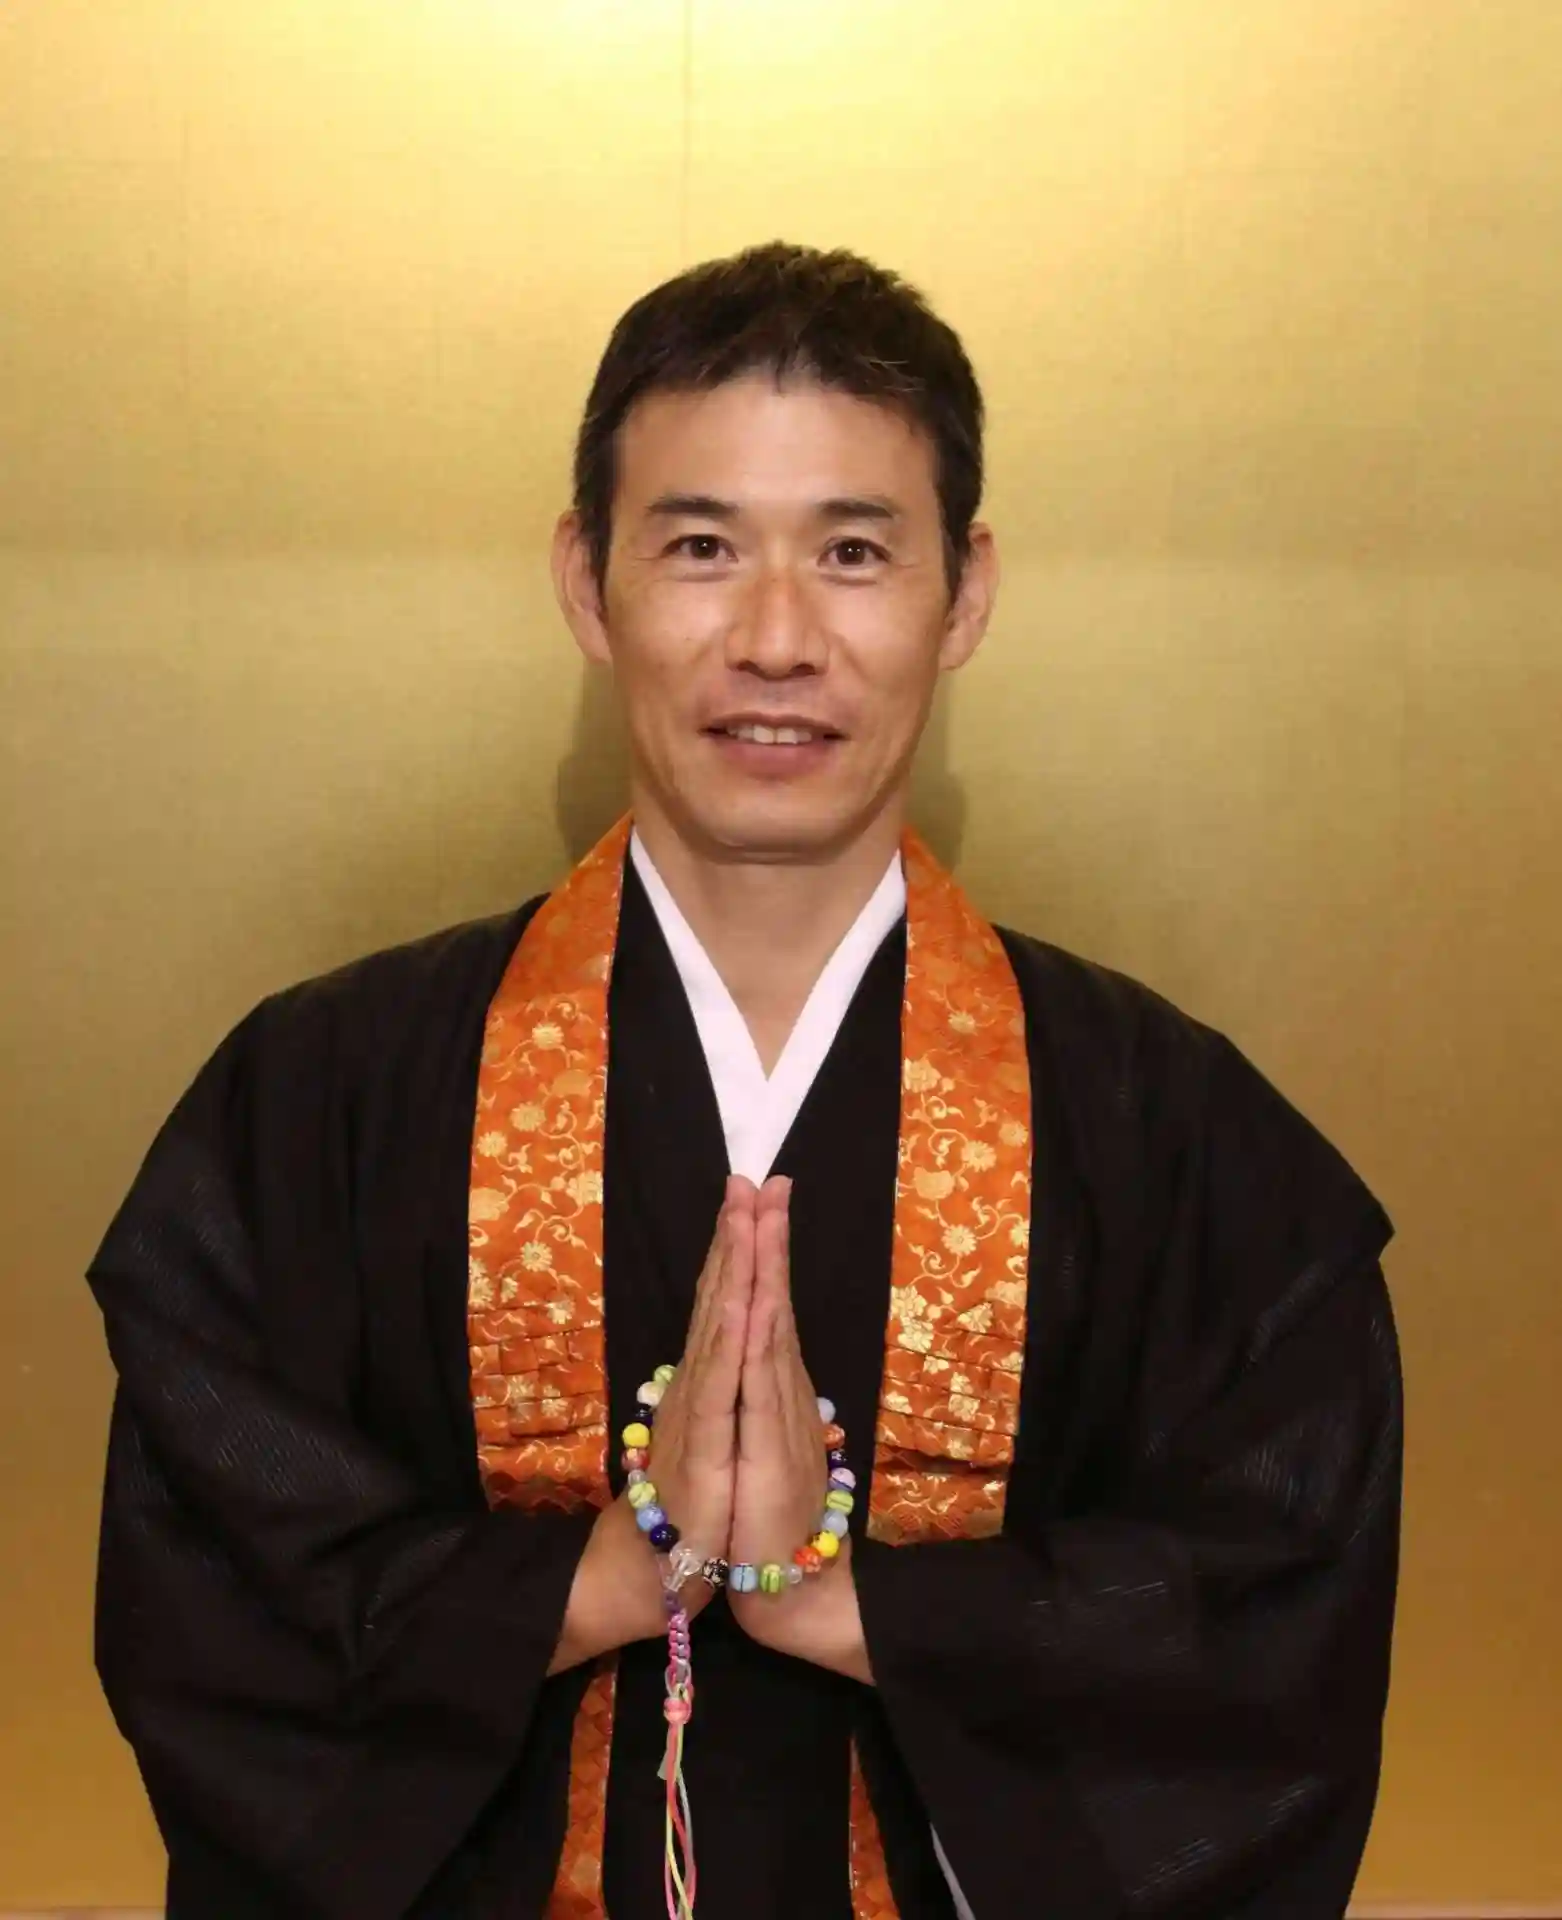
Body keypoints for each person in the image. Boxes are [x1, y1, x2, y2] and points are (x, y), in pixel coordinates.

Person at [89, 242, 1402, 1920]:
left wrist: (837, 1603)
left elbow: (1272, 1617)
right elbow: (211, 1591)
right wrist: (603, 1573)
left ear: (963, 593)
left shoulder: (1170, 1135)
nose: (777, 640)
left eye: (853, 551)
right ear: (586, 582)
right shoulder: (325, 1099)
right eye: (700, 546)